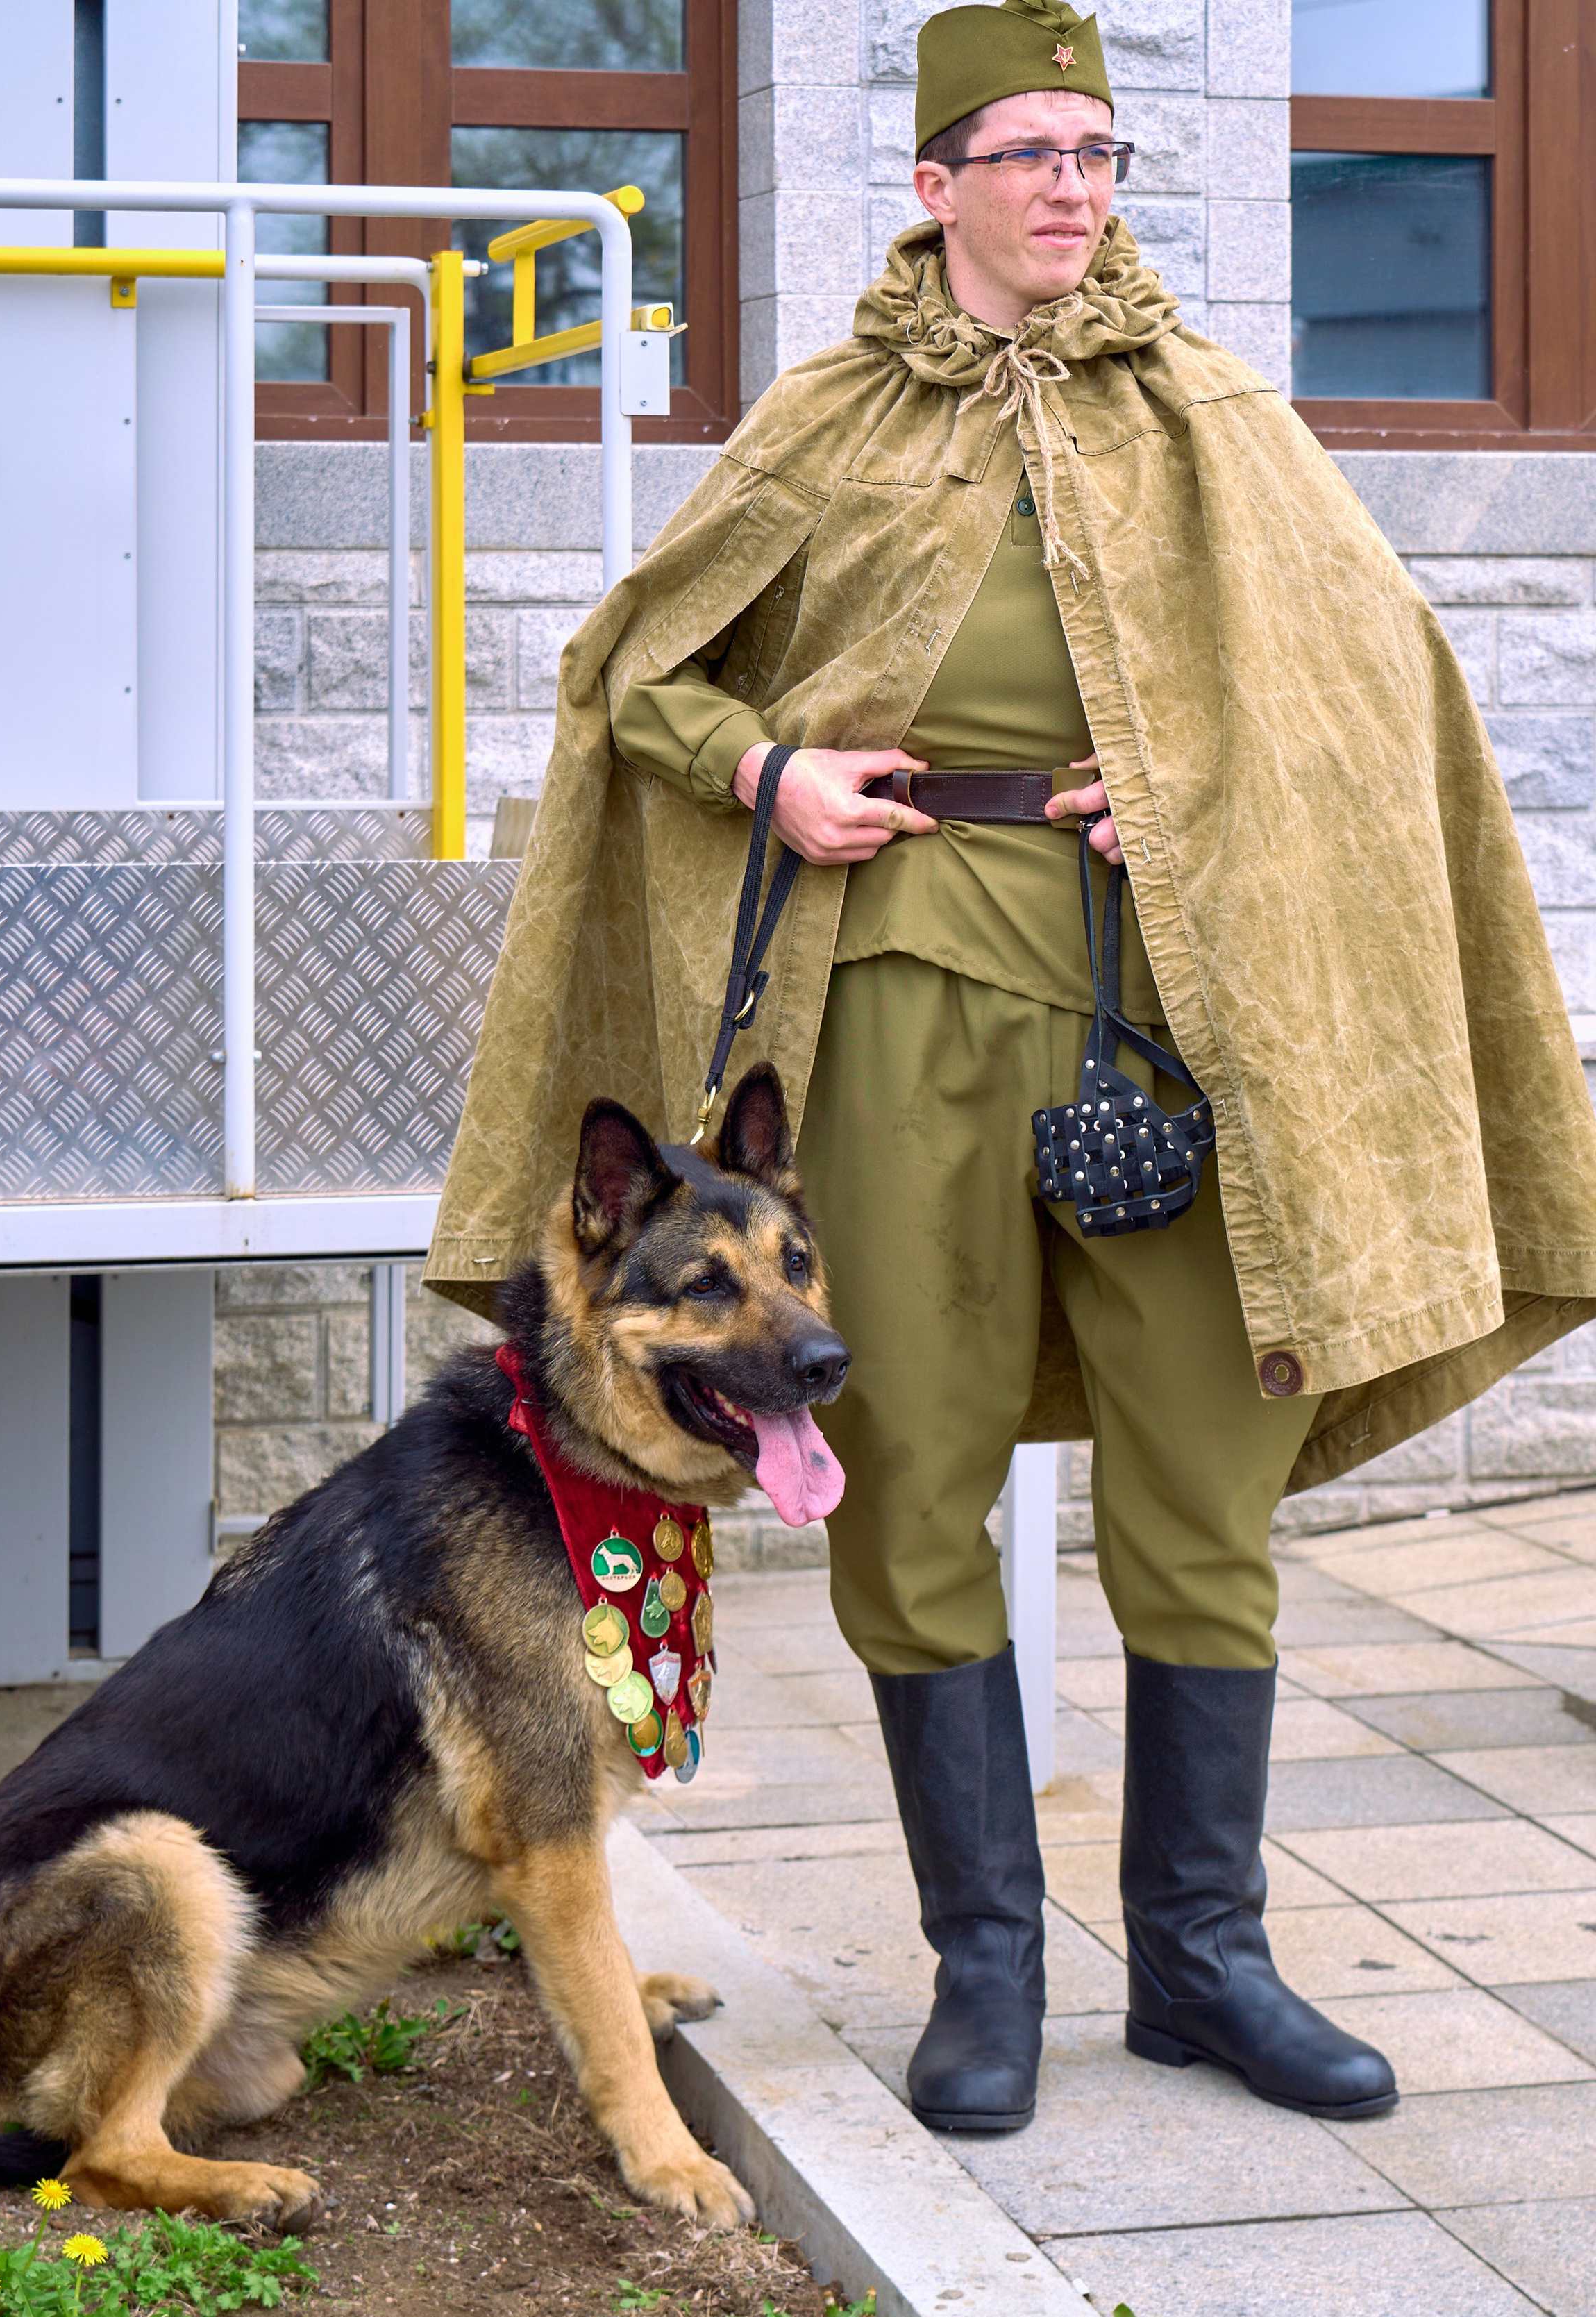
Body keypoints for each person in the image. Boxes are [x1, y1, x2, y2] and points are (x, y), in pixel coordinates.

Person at [427, 0, 1596, 2139]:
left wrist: (1216, 791)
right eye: (1029, 148)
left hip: (1166, 1014)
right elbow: (636, 669)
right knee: (918, 1454)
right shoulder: (839, 414)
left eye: (1100, 149)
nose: (1073, 183)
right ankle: (990, 1968)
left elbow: (1374, 691)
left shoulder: (1216, 415)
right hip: (899, 1004)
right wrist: (771, 770)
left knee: (1203, 1457)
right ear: (935, 183)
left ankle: (1208, 1963)